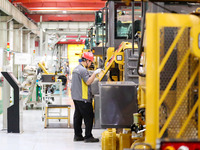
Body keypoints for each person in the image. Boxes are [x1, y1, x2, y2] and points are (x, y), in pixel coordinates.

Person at [71, 52, 102, 143]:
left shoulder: (76, 69)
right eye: (90, 62)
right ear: (87, 61)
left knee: (78, 116)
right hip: (83, 97)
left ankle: (78, 135)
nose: (91, 64)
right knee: (89, 116)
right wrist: (95, 74)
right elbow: (88, 82)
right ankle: (88, 136)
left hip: (76, 97)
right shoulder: (83, 70)